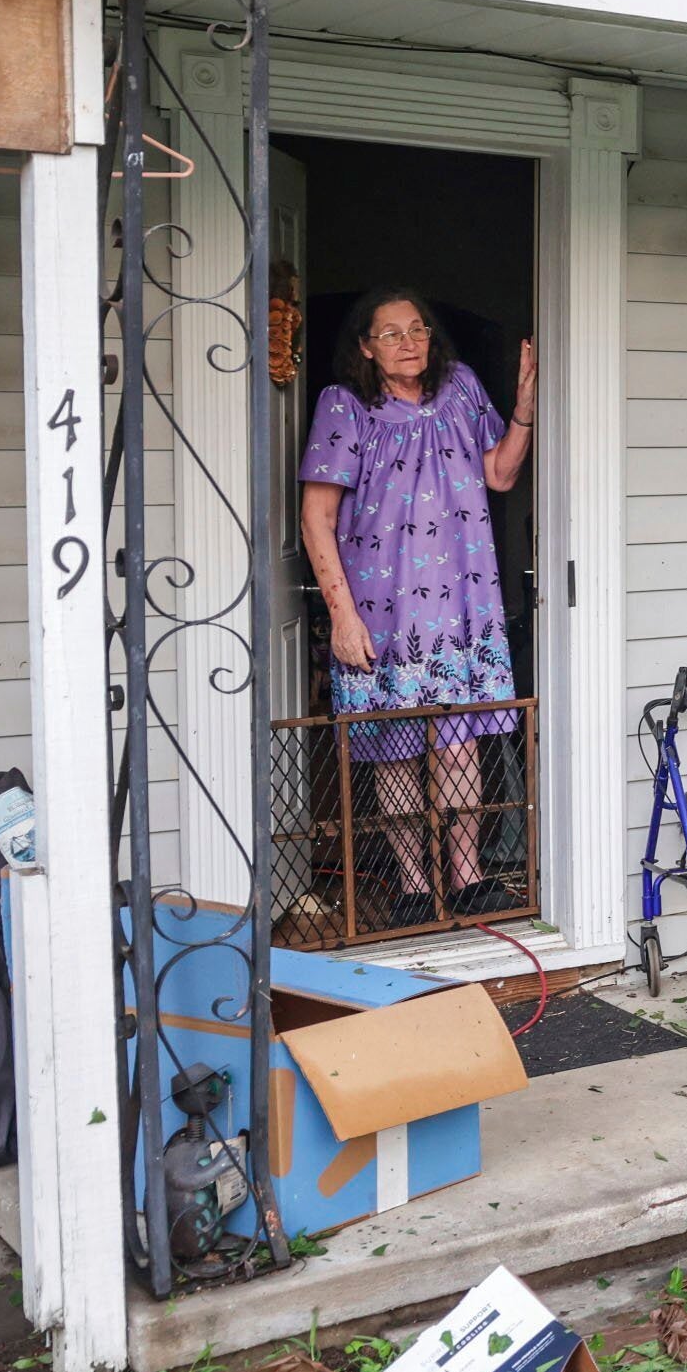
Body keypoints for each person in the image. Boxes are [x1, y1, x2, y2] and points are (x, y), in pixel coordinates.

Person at [298, 289, 535, 923]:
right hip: (381, 612)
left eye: (418, 329)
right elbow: (316, 518)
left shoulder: (459, 388)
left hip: (461, 604)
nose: (408, 342)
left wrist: (524, 412)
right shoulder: (344, 406)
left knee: (458, 748)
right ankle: (410, 884)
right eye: (391, 333)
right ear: (366, 347)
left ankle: (465, 877)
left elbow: (501, 475)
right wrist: (341, 616)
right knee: (397, 750)